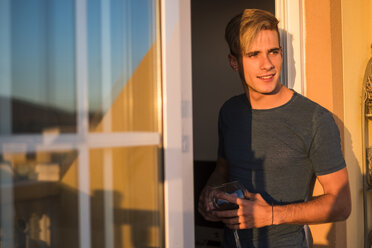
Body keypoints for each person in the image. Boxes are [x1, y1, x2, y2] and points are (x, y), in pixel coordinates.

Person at [198, 9, 351, 247]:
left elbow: (341, 205)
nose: (267, 64)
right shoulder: (229, 112)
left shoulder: (314, 119)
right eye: (254, 55)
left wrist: (271, 214)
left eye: (273, 52)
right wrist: (209, 195)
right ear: (234, 62)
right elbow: (222, 170)